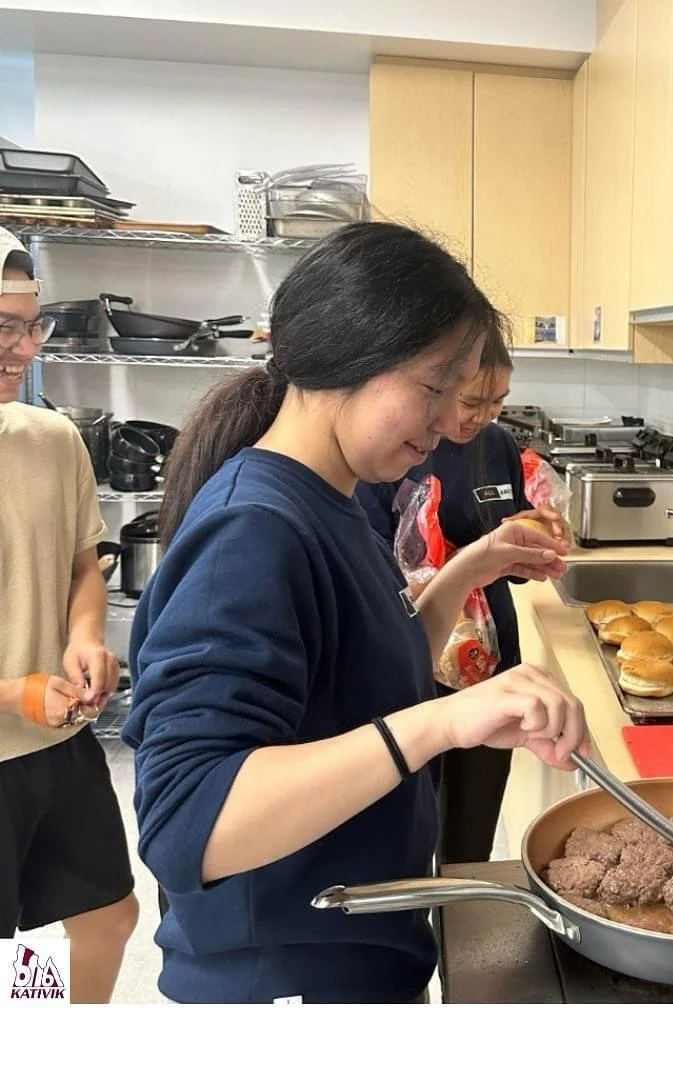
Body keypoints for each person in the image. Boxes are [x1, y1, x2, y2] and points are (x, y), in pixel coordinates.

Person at [121, 221, 588, 1005]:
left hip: (356, 952)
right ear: (347, 357)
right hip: (283, 985)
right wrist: (442, 723)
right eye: (436, 387)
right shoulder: (254, 529)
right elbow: (187, 823)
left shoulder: (333, 498)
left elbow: (372, 669)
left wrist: (471, 568)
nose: (449, 419)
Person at [355, 329, 565, 865]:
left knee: (473, 820)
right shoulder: (392, 452)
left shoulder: (496, 446)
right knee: (407, 815)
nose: (482, 417)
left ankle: (461, 905)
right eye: (472, 400)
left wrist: (534, 539)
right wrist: (457, 567)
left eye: (498, 402)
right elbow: (373, 575)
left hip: (490, 659)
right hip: (413, 655)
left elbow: (507, 555)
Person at [0, 227, 139, 1003]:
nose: (23, 349)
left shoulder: (52, 439)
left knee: (108, 916)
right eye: (4, 327)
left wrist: (85, 636)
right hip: (15, 722)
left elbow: (85, 566)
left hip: (56, 741)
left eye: (33, 326)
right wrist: (16, 693)